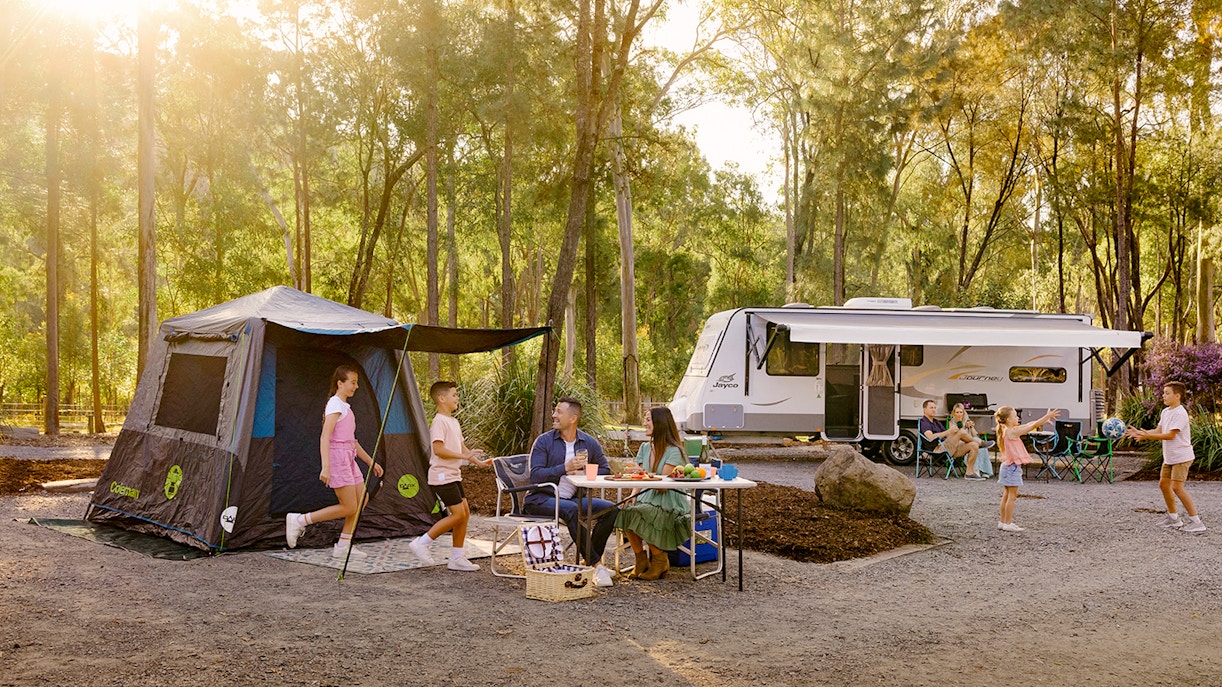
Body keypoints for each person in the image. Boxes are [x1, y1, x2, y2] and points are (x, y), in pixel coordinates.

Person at [285, 365, 385, 558]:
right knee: (349, 506)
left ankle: (343, 545)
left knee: (362, 499)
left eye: (357, 382)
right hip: (338, 457)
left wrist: (370, 462)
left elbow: (351, 441)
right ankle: (300, 520)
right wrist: (326, 466)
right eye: (353, 382)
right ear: (340, 383)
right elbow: (325, 437)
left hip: (348, 456)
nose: (356, 386)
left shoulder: (344, 406)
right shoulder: (335, 404)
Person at [523, 397, 618, 587]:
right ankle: (597, 565)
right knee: (571, 510)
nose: (554, 415)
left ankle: (589, 560)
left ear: (573, 418)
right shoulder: (544, 442)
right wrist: (565, 468)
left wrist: (584, 472)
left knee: (611, 509)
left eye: (559, 412)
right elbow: (535, 476)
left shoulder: (588, 442)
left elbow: (606, 470)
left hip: (572, 499)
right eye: (555, 411)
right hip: (541, 499)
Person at [408, 381, 492, 571]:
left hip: (453, 475)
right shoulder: (439, 421)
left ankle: (456, 557)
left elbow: (461, 448)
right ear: (441, 399)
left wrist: (478, 462)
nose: (457, 398)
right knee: (458, 514)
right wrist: (463, 456)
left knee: (465, 514)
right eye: (454, 395)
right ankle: (422, 542)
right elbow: (438, 449)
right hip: (441, 476)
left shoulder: (453, 421)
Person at [616, 407, 691, 581]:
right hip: (646, 496)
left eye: (648, 420)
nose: (644, 423)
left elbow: (663, 486)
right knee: (625, 510)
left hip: (669, 500)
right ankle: (640, 559)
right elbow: (638, 478)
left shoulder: (675, 451)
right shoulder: (644, 447)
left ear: (660, 423)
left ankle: (659, 559)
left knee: (639, 513)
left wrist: (641, 474)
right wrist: (633, 495)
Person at [1126, 381, 1205, 533]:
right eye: (1163, 393)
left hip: (1182, 456)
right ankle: (1174, 519)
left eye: (1167, 393)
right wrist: (1141, 433)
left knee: (1177, 487)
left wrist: (1146, 436)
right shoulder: (1166, 412)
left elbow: (1170, 435)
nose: (1163, 395)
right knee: (1163, 484)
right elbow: (1159, 430)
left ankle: (1197, 522)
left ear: (1177, 395)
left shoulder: (1180, 413)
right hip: (1170, 457)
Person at [995, 406, 1060, 532]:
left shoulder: (1008, 429)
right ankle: (1007, 523)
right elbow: (1032, 426)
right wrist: (1046, 417)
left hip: (1007, 466)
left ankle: (1003, 522)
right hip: (1012, 467)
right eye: (1015, 416)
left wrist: (1043, 421)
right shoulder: (1011, 432)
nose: (1017, 418)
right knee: (1012, 497)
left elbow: (1030, 424)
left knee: (1006, 495)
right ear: (1008, 419)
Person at [918, 400, 984, 479]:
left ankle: (969, 473)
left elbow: (948, 436)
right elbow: (930, 437)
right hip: (937, 449)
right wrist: (949, 431)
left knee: (974, 445)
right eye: (931, 408)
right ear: (924, 409)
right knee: (962, 432)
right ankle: (981, 443)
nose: (934, 410)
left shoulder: (936, 421)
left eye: (935, 408)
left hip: (947, 446)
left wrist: (958, 430)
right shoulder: (924, 422)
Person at [948, 403, 995, 479]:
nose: (959, 414)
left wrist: (971, 427)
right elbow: (957, 435)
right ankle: (975, 470)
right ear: (954, 413)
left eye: (961, 412)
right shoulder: (951, 422)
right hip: (958, 445)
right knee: (978, 443)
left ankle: (983, 471)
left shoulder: (966, 421)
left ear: (963, 413)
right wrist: (964, 426)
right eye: (957, 412)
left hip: (970, 443)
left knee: (979, 445)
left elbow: (975, 436)